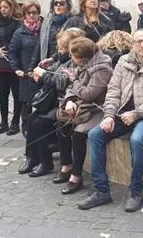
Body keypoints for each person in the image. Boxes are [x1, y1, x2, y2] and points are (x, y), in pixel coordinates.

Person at [77, 29, 143, 212]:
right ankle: (101, 190)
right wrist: (109, 116)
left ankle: (136, 190)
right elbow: (113, 90)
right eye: (138, 41)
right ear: (133, 44)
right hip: (122, 114)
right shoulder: (123, 61)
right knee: (95, 134)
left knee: (137, 140)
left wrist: (136, 113)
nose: (142, 45)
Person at [19, 28, 86, 177]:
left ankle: (45, 162)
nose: (58, 50)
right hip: (55, 100)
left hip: (65, 102)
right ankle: (31, 157)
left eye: (61, 47)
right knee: (30, 119)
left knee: (39, 123)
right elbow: (53, 73)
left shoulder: (75, 60)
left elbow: (62, 82)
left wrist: (43, 74)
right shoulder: (62, 59)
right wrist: (42, 72)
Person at [57, 37, 113, 194]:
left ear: (83, 58)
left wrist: (74, 80)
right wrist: (69, 100)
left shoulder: (102, 69)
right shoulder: (81, 63)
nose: (71, 59)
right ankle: (66, 165)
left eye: (72, 56)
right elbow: (71, 87)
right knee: (61, 124)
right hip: (80, 105)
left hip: (98, 108)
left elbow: (89, 94)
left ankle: (76, 176)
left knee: (79, 133)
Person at [0, 0, 22, 135]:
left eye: (6, 7)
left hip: (14, 64)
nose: (3, 10)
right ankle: (3, 122)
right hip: (1, 64)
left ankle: (15, 123)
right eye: (1, 7)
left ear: (12, 7)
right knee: (3, 94)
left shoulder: (18, 23)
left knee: (16, 94)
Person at [9, 1, 42, 137]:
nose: (32, 15)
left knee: (43, 103)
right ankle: (27, 133)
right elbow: (13, 52)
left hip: (42, 73)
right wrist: (16, 68)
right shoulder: (19, 32)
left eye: (34, 12)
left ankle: (40, 131)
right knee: (26, 104)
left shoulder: (44, 29)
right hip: (26, 73)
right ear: (25, 15)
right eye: (29, 13)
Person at [28, 0, 72, 71]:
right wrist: (31, 67)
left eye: (62, 3)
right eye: (55, 3)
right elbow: (39, 45)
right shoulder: (47, 23)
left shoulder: (72, 21)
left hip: (66, 63)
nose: (58, 5)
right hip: (47, 63)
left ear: (67, 6)